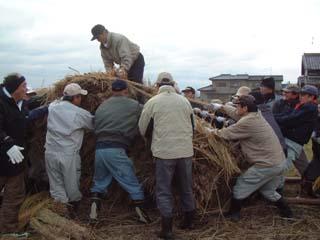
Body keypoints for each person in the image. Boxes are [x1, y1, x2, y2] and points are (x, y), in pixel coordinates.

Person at [207, 95, 292, 220]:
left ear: (245, 108)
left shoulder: (248, 122)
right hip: (278, 162)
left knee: (241, 185)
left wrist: (208, 131)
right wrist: (221, 107)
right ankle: (287, 212)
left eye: (238, 106)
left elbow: (226, 134)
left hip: (266, 165)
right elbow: (237, 114)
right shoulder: (256, 114)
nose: (236, 108)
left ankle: (233, 214)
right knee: (268, 191)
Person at [139, 72, 195, 239]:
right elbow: (193, 127)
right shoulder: (184, 101)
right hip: (185, 151)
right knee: (186, 187)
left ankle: (167, 229)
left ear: (157, 86)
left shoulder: (153, 102)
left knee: (164, 189)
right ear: (173, 84)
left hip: (164, 153)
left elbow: (143, 128)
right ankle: (189, 221)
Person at [89, 79, 150, 224]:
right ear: (126, 91)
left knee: (99, 182)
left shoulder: (102, 105)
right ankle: (142, 215)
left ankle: (93, 214)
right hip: (116, 149)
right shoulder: (134, 105)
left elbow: (94, 125)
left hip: (99, 149)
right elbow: (148, 116)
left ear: (112, 91)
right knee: (131, 182)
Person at [45, 83, 94, 215]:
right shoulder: (80, 113)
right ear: (76, 98)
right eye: (80, 97)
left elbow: (55, 102)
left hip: (50, 152)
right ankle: (73, 211)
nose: (81, 100)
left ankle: (61, 213)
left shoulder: (53, 107)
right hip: (68, 154)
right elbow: (93, 125)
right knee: (72, 185)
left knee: (56, 185)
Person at [0, 73, 29, 237]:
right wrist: (7, 143)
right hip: (2, 158)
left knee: (14, 197)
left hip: (16, 161)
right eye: (23, 85)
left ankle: (8, 232)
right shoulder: (1, 102)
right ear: (14, 89)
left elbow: (27, 117)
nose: (26, 88)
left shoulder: (21, 103)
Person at [274, 85, 318, 191]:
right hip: (293, 140)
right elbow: (287, 116)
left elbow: (291, 119)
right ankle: (309, 185)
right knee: (302, 166)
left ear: (312, 97)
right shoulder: (302, 106)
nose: (300, 96)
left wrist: (273, 118)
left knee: (282, 167)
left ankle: (276, 193)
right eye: (300, 94)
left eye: (303, 94)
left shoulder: (309, 107)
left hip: (293, 141)